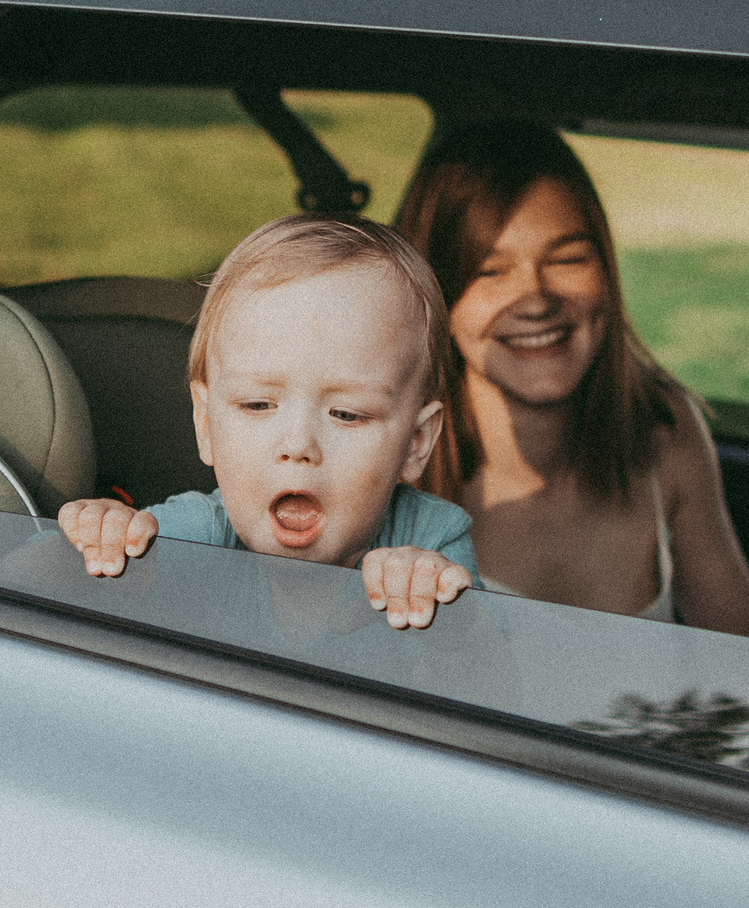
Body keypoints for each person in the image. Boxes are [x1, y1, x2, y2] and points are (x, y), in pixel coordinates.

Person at [394, 121, 749, 641]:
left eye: (567, 259)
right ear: (437, 294)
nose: (536, 300)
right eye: (490, 271)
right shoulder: (394, 464)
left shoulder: (661, 430)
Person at [58, 214, 478, 631]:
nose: (297, 445)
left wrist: (442, 610)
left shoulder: (431, 538)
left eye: (346, 414)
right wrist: (98, 541)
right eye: (258, 405)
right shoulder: (198, 534)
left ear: (416, 442)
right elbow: (15, 586)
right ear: (205, 423)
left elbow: (491, 675)